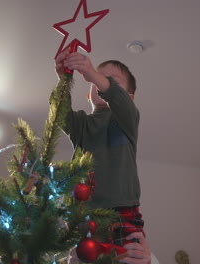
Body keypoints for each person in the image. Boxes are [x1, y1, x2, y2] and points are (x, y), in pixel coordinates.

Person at [54, 47, 149, 262]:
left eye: (111, 80)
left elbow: (119, 101)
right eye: (96, 81)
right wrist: (63, 79)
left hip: (122, 213)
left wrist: (93, 73)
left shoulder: (127, 121)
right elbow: (60, 115)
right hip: (84, 213)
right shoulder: (83, 125)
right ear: (90, 94)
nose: (99, 82)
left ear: (129, 98)